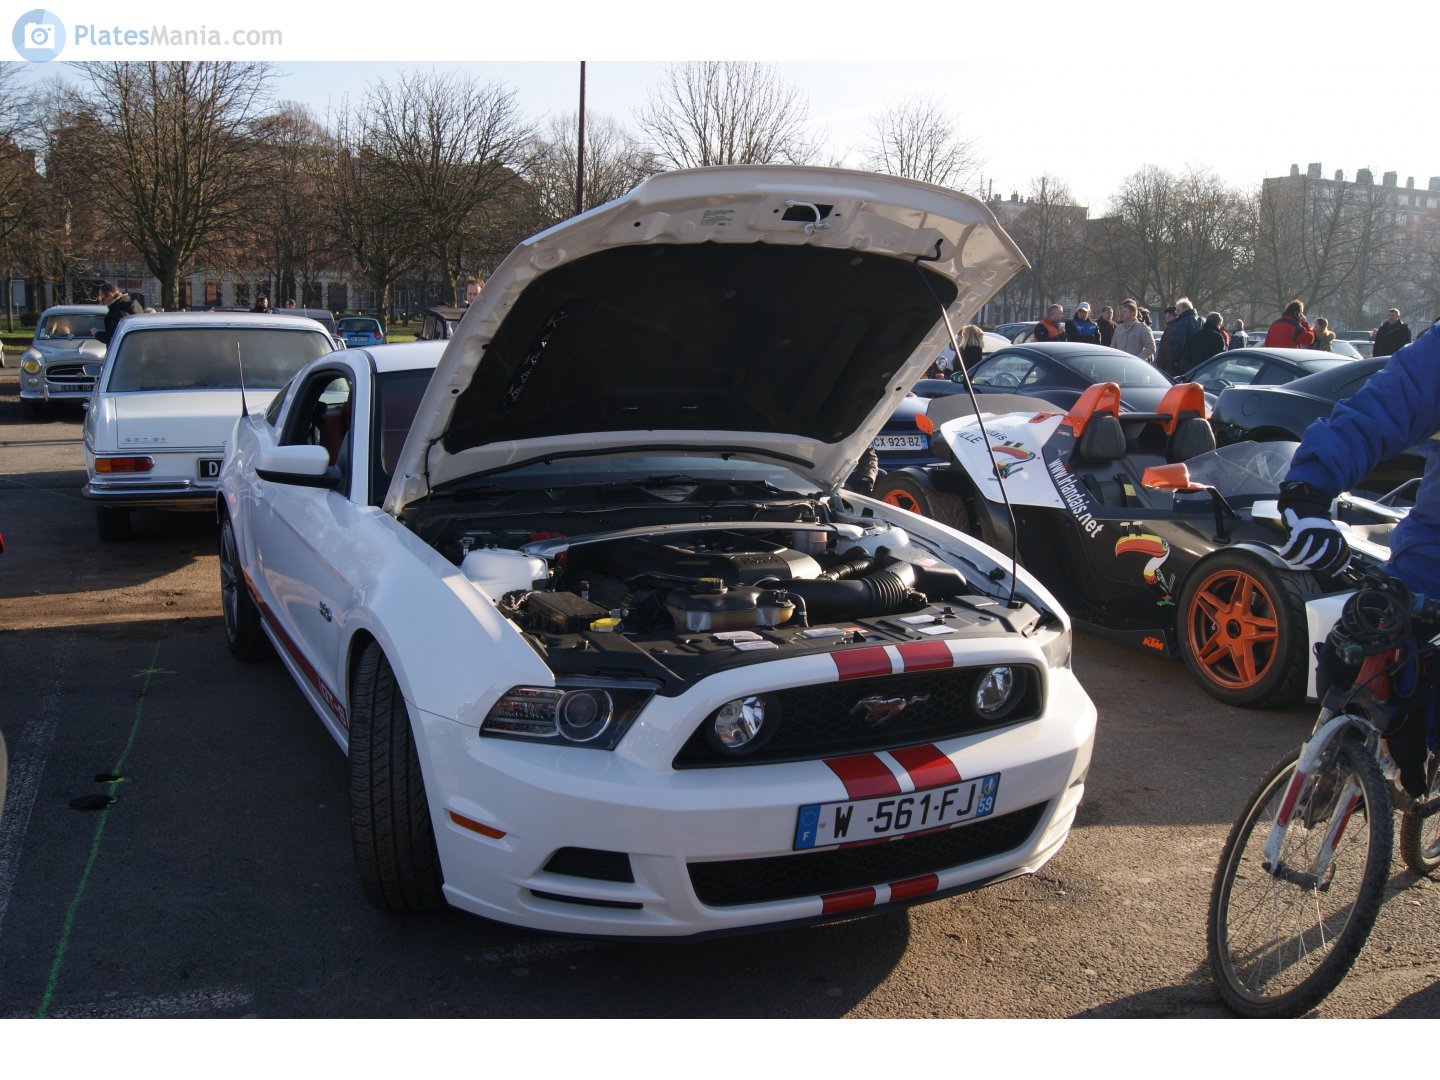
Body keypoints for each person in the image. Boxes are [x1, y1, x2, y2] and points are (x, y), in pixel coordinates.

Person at [1276, 323, 1440, 797]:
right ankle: (1337, 761)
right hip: (1431, 555)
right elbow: (1381, 408)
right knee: (1358, 650)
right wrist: (1309, 491)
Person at [1157, 299, 1200, 377]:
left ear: (1186, 309)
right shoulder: (1201, 321)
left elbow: (1177, 344)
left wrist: (1171, 361)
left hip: (1181, 365)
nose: (1176, 313)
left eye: (1178, 310)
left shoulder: (1182, 323)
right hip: (1197, 364)